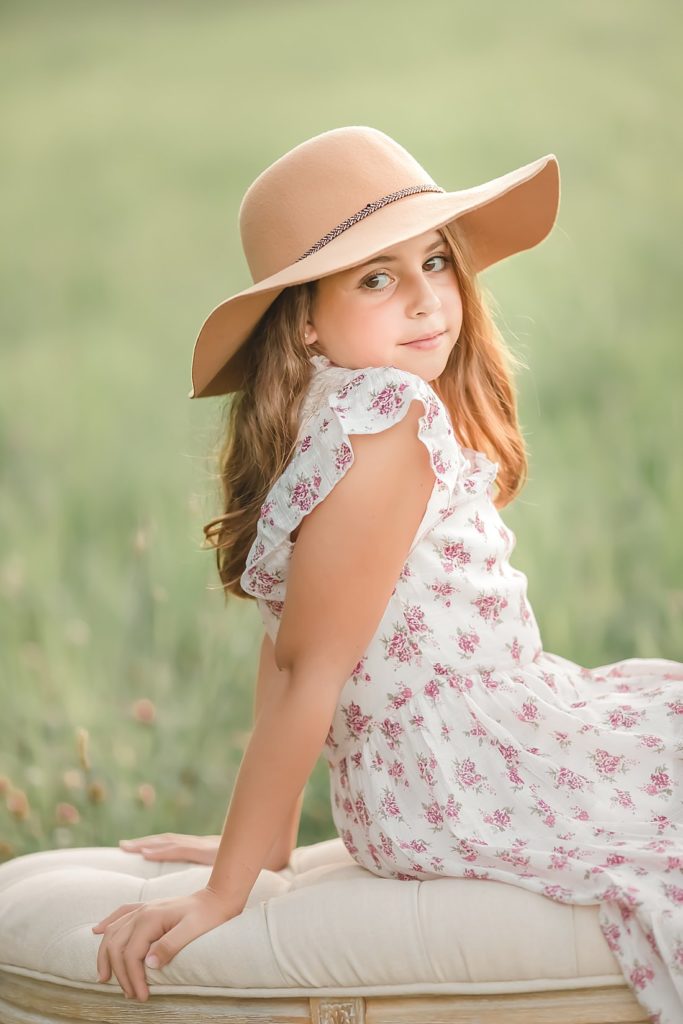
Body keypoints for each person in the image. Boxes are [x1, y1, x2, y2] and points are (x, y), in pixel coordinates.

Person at [93, 126, 683, 1020]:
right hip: (463, 775)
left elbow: (286, 642)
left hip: (453, 754)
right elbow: (306, 667)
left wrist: (273, 843)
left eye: (435, 262)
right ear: (302, 317)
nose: (424, 301)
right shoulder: (385, 418)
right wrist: (225, 889)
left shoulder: (334, 414)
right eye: (376, 277)